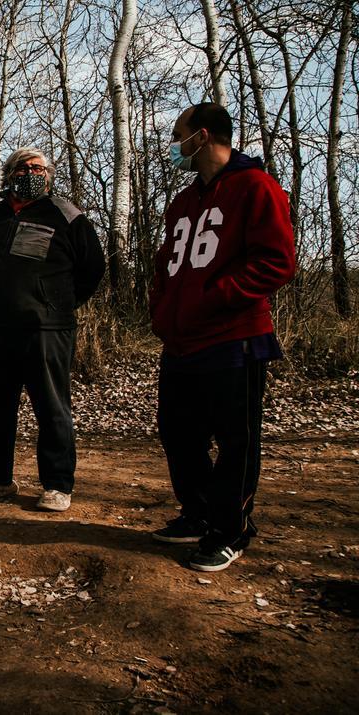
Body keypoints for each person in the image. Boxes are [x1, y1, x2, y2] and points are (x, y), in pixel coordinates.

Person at [149, 102, 296, 572]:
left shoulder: (256, 187)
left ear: (203, 136)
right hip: (182, 342)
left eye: (179, 135)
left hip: (235, 339)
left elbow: (277, 261)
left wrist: (216, 297)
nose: (173, 145)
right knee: (177, 432)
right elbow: (164, 264)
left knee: (237, 440)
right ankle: (197, 513)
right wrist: (163, 309)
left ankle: (230, 529)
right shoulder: (184, 201)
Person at [0, 148, 105, 512]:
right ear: (9, 174)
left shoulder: (66, 215)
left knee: (52, 407)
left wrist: (56, 304)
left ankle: (57, 484)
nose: (32, 173)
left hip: (46, 329)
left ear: (49, 175)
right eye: (24, 168)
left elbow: (93, 269)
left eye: (39, 168)